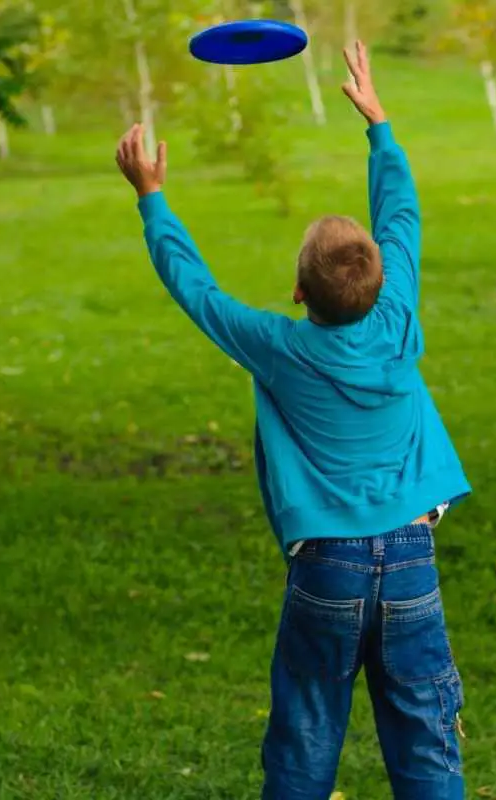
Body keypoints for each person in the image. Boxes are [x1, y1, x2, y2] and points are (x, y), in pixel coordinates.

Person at [115, 41, 471, 799]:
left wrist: (152, 198)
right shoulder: (400, 315)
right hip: (412, 555)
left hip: (326, 568)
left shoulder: (278, 347)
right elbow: (400, 213)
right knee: (426, 734)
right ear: (380, 283)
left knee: (307, 733)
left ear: (298, 294)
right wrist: (378, 124)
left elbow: (197, 292)